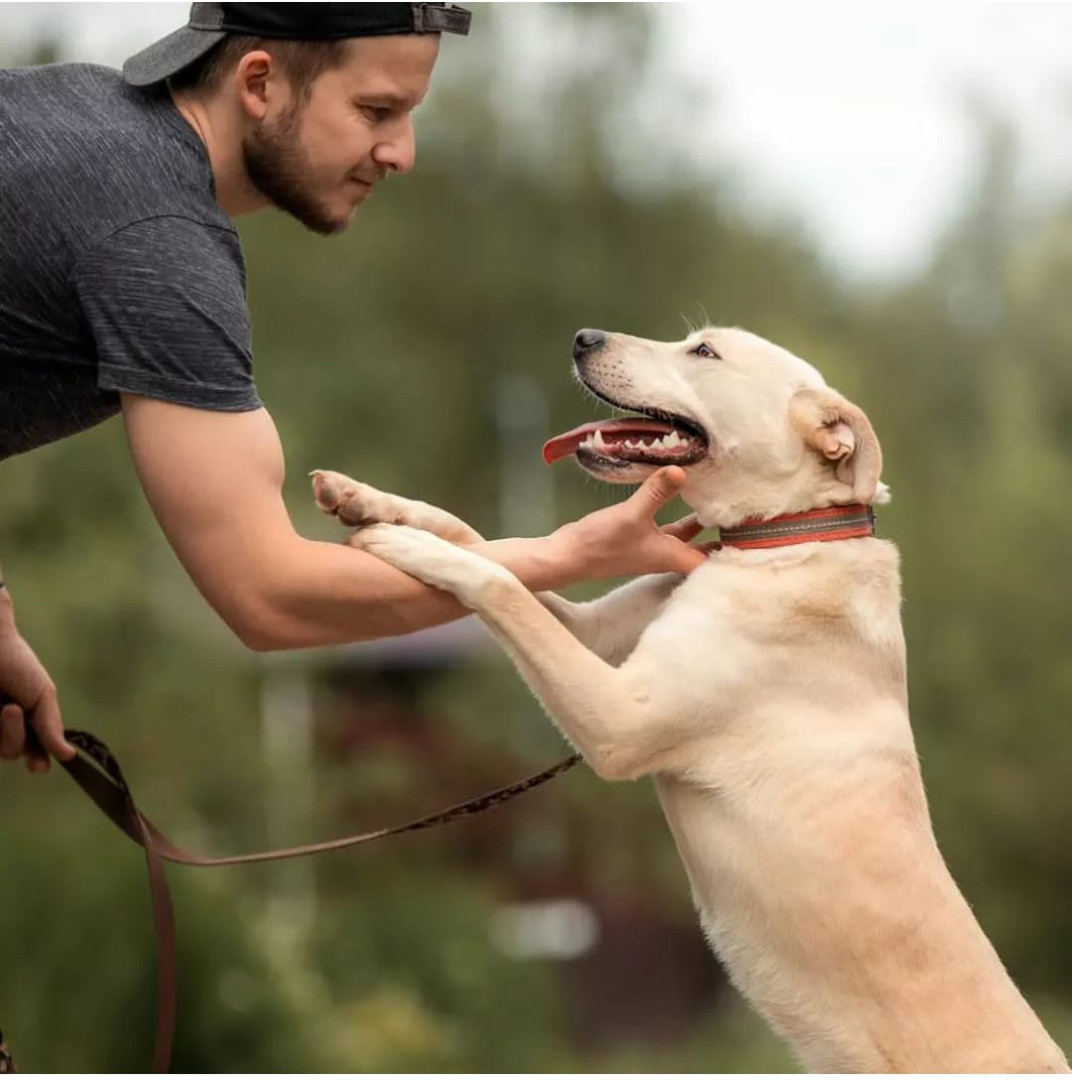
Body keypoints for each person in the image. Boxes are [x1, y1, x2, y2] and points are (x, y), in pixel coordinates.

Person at [0, 3, 708, 776]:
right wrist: (570, 551)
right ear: (260, 82)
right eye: (377, 109)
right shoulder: (157, 243)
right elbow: (271, 598)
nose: (402, 152)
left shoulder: (61, 109)